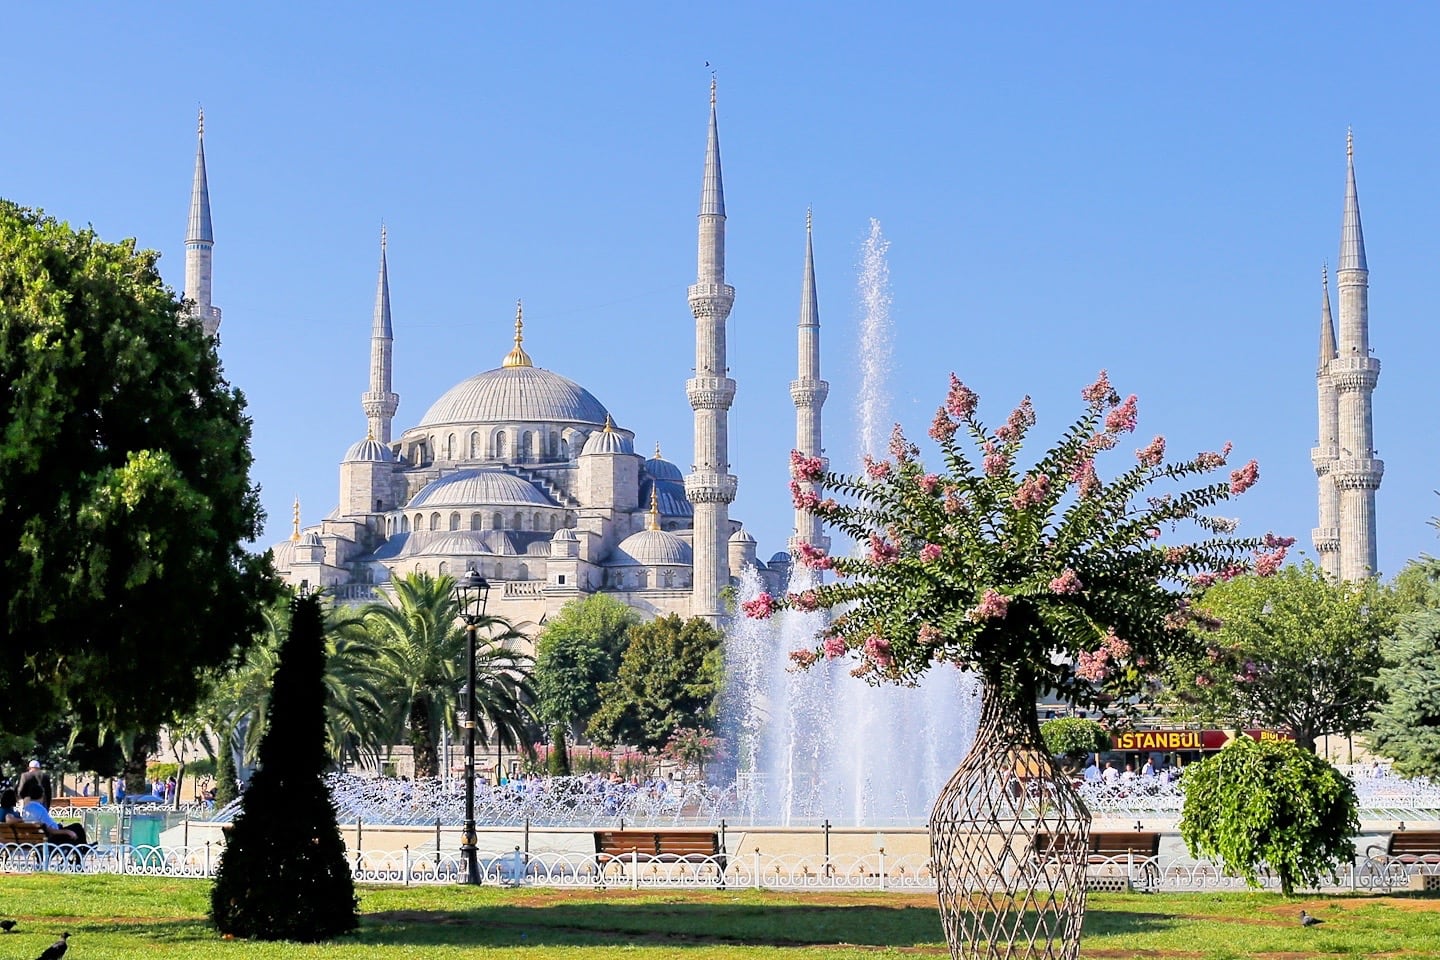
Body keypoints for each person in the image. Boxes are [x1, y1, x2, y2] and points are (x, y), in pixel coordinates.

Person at [17, 778, 87, 846]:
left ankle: (81, 850)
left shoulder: (26, 808)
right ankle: (84, 849)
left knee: (73, 828)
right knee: (77, 827)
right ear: (42, 796)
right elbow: (51, 830)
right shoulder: (40, 809)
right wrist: (68, 832)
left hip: (34, 837)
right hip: (52, 837)